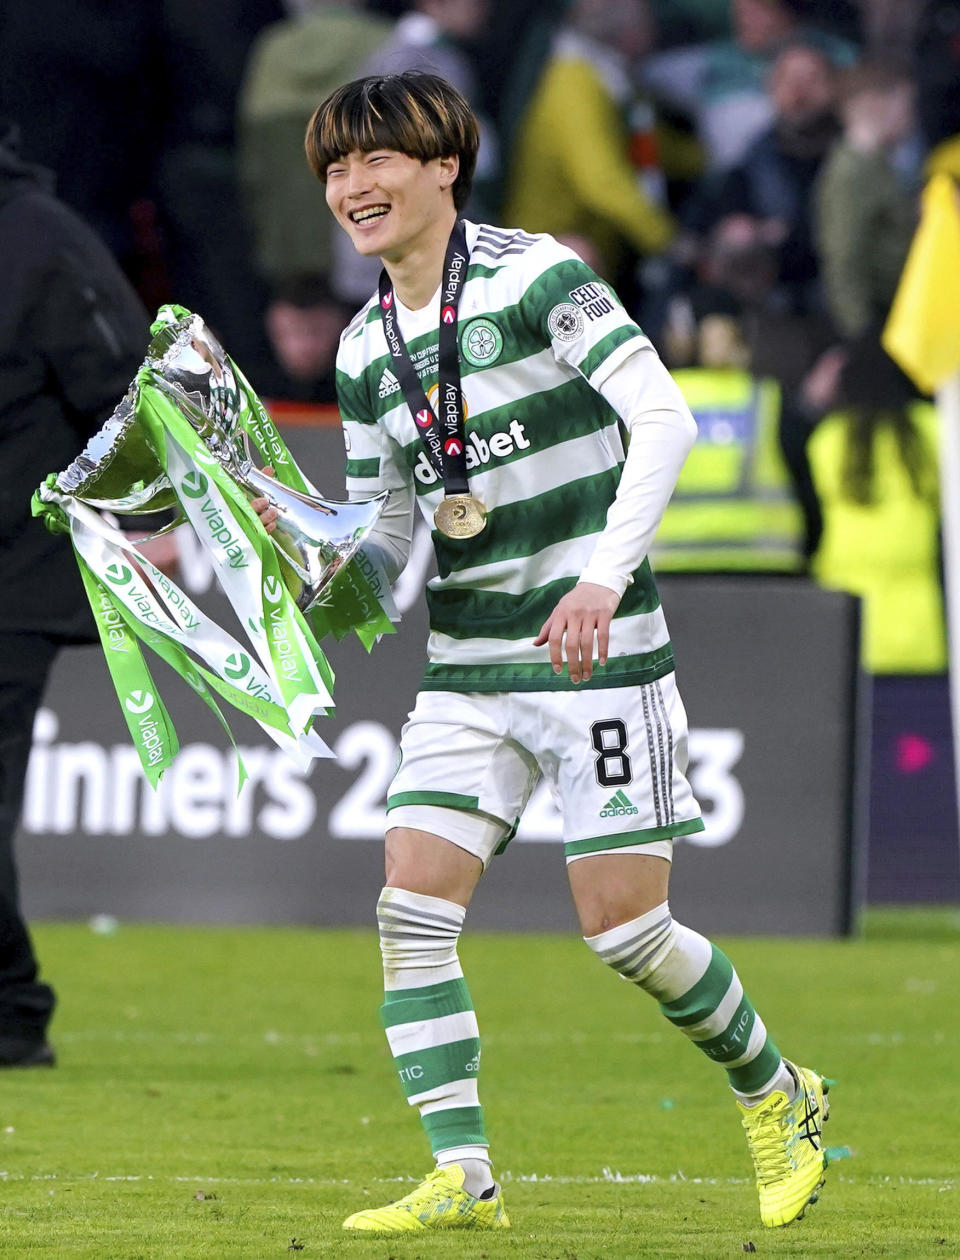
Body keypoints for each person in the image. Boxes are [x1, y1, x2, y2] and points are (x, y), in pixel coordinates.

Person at [256, 71, 835, 1234]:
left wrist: (600, 578)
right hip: (470, 667)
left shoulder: (537, 277)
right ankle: (461, 1176)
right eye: (334, 169)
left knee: (625, 930)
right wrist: (303, 567)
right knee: (410, 908)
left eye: (377, 161)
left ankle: (782, 1093)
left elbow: (662, 415)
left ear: (442, 167)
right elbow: (390, 544)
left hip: (600, 652)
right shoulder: (367, 346)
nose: (353, 186)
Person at [0, 119, 152, 1067]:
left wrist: (151, 516)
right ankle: (11, 1007)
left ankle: (14, 1013)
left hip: (15, 571)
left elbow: (133, 387)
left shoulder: (39, 237)